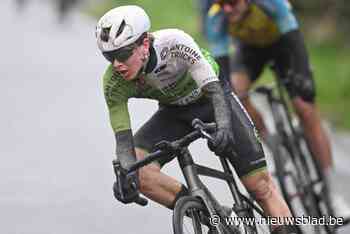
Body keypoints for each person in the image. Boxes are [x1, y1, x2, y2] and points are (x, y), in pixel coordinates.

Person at [96, 5, 298, 233]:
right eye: (109, 57)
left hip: (213, 100)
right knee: (140, 172)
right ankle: (215, 215)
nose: (117, 64)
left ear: (144, 43)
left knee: (260, 186)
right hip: (174, 112)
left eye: (122, 54)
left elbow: (214, 90)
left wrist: (223, 126)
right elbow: (124, 143)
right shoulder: (114, 82)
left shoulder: (174, 43)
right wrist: (127, 174)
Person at [207, 0, 350, 218]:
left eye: (232, 2)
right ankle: (272, 143)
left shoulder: (268, 2)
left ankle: (332, 191)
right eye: (222, 3)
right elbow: (222, 66)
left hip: (284, 45)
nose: (227, 8)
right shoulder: (216, 17)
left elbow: (293, 37)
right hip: (250, 51)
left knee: (305, 108)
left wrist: (303, 77)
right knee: (235, 93)